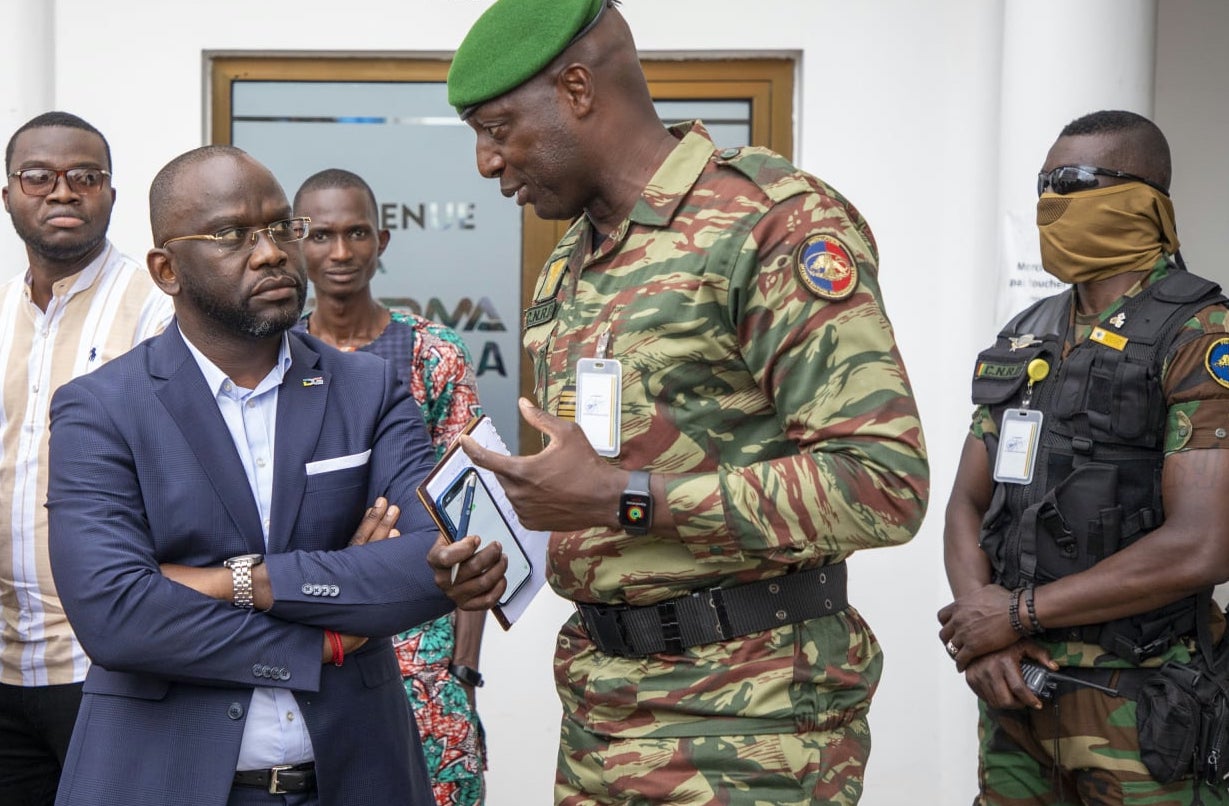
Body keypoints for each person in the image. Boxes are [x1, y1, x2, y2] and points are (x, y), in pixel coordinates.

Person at [429, 1, 929, 803]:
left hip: (750, 721)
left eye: (496, 129)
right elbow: (608, 467)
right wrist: (507, 539)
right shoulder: (574, 259)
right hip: (602, 708)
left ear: (579, 89)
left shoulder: (771, 224)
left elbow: (881, 483)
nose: (488, 163)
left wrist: (624, 500)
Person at [44, 144, 454, 806]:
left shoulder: (368, 389)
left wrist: (243, 582)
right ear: (166, 269)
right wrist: (327, 636)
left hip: (358, 774)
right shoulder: (102, 408)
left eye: (279, 227)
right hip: (161, 779)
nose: (270, 253)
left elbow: (436, 560)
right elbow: (117, 616)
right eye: (231, 234)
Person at [938, 109, 1229, 804]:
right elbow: (967, 503)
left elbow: (1202, 545)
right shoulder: (1027, 334)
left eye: (1072, 183)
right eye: (1043, 184)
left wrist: (1014, 616)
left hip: (1143, 698)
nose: (1050, 203)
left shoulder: (1199, 334)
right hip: (1017, 692)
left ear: (1144, 198)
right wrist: (984, 628)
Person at [291, 168, 488, 806]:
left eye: (356, 234)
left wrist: (463, 664)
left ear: (382, 240)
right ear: (297, 243)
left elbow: (470, 515)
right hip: (311, 615)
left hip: (420, 627)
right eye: (321, 235)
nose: (340, 252)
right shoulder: (276, 354)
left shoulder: (433, 353)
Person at [0, 111, 173, 805]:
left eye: (85, 177)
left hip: (110, 661)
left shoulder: (157, 312)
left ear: (110, 194)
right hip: (5, 663)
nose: (62, 192)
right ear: (9, 193)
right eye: (38, 176)